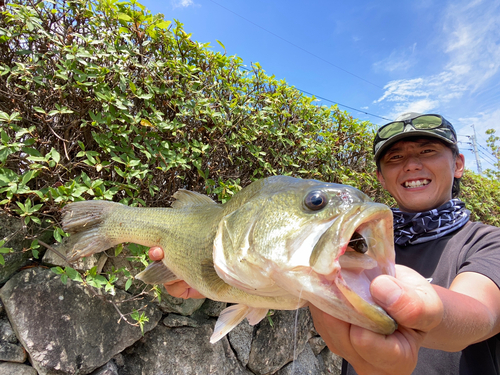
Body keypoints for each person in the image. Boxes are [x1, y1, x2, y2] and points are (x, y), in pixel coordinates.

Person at [148, 113, 500, 374]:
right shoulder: (350, 245)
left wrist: (426, 313)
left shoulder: (488, 242)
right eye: (395, 158)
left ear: (458, 164)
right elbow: (293, 286)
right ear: (380, 176)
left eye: (427, 151)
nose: (411, 164)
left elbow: (482, 313)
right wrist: (217, 279)